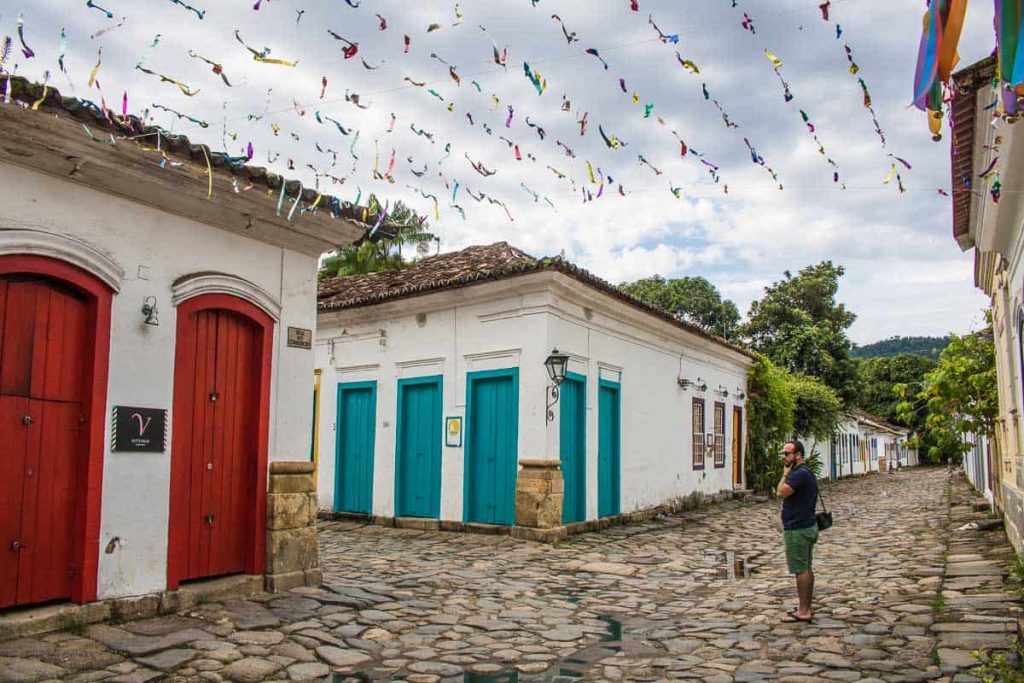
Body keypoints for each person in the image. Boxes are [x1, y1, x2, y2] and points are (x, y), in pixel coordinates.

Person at [776, 439, 818, 623]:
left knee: (801, 569)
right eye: (784, 454)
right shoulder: (805, 472)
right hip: (806, 525)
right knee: (806, 567)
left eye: (787, 454)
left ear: (798, 455)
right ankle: (805, 606)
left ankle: (803, 610)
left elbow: (780, 492)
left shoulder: (798, 474)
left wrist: (785, 474)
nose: (784, 457)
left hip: (798, 529)